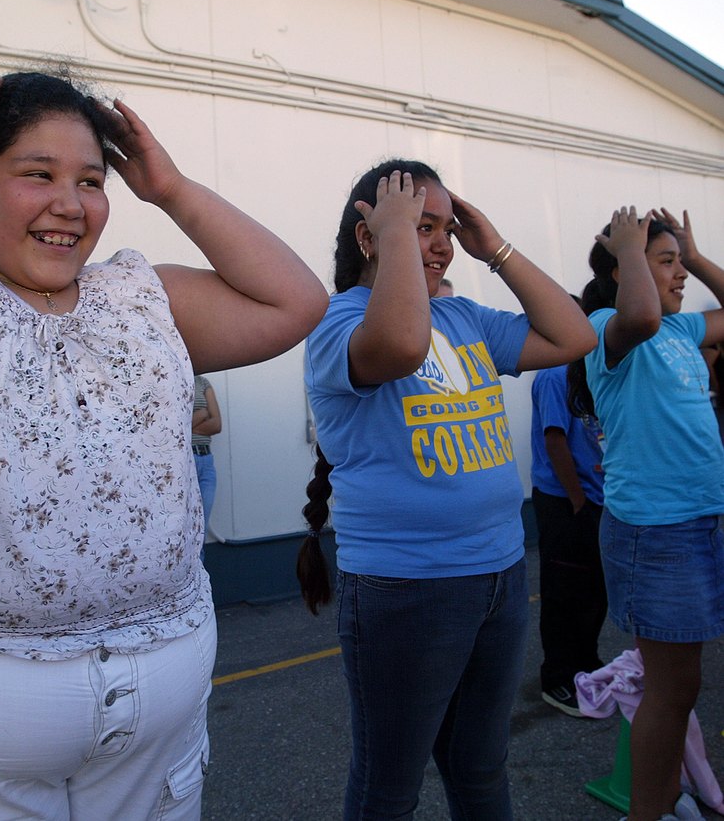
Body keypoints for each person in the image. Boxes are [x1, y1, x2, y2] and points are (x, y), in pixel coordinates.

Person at [0, 69, 328, 820]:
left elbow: (296, 301)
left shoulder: (139, 294)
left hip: (152, 733)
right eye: (38, 174)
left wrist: (174, 190)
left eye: (90, 180)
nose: (71, 203)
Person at [297, 160, 596, 820]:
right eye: (420, 226)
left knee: (481, 772)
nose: (439, 243)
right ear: (367, 237)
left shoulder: (466, 318)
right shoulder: (335, 323)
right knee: (389, 788)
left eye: (447, 228)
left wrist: (496, 251)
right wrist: (399, 232)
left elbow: (575, 335)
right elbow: (402, 342)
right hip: (407, 589)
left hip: (499, 575)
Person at [568, 206, 724, 821]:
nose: (680, 274)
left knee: (680, 687)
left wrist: (692, 250)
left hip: (699, 522)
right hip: (656, 531)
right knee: (673, 688)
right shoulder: (608, 326)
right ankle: (648, 811)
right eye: (668, 264)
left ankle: (662, 798)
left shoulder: (683, 333)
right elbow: (640, 311)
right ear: (623, 267)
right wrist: (630, 249)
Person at [530, 296, 607, 717]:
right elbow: (555, 439)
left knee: (594, 590)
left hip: (594, 499)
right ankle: (558, 679)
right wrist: (577, 499)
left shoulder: (586, 368)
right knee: (565, 594)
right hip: (565, 502)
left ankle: (587, 664)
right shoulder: (554, 375)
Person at [192, 374, 221, 554]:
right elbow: (173, 425)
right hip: (188, 460)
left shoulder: (202, 382)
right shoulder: (173, 376)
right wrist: (203, 414)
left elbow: (217, 424)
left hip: (206, 461)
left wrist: (189, 425)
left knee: (200, 531)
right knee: (190, 530)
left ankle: (200, 580)